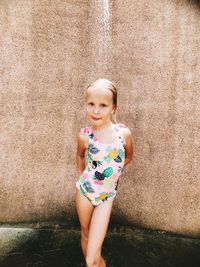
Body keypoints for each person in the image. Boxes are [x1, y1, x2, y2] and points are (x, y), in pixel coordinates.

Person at [75, 78, 134, 267]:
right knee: (85, 233)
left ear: (113, 108)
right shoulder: (85, 135)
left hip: (106, 196)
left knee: (92, 260)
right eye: (91, 104)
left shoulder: (123, 134)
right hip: (84, 192)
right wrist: (83, 177)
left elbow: (128, 157)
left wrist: (111, 173)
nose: (96, 110)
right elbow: (80, 156)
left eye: (103, 105)